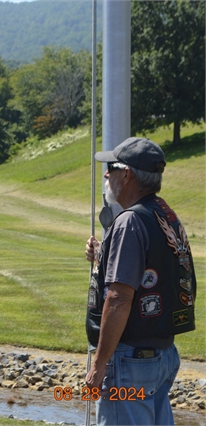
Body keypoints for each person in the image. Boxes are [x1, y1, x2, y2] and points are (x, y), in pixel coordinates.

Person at [84, 137, 197, 425]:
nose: (106, 174)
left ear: (128, 174)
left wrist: (98, 366)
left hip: (131, 360)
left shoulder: (129, 221)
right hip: (161, 355)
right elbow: (152, 270)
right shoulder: (164, 213)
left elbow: (119, 299)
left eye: (111, 167)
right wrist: (104, 255)